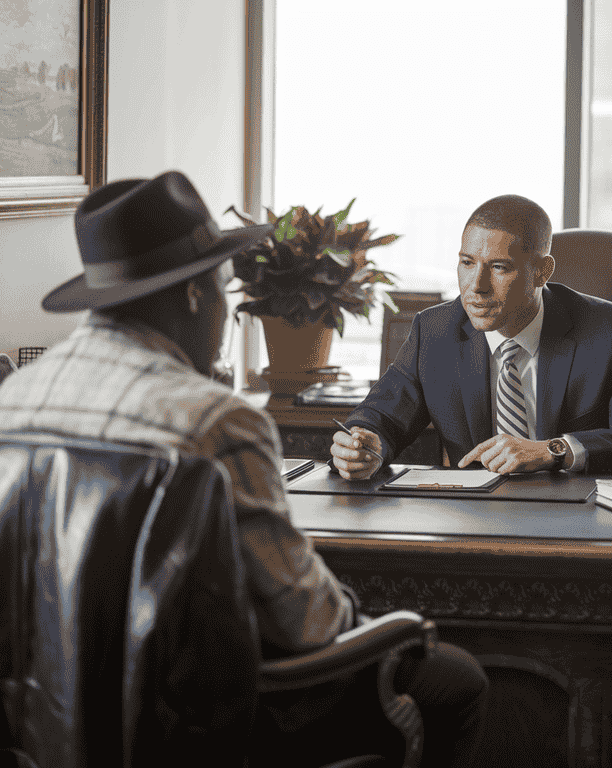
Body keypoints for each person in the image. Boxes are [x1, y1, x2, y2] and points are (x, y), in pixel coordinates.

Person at [0, 170, 488, 767]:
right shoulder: (215, 422)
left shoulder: (13, 401)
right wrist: (371, 618)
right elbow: (307, 621)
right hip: (199, 730)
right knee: (451, 675)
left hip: (47, 724)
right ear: (194, 295)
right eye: (225, 291)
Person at [331, 194, 612, 480]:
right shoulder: (435, 333)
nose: (476, 287)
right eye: (467, 263)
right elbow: (383, 416)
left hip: (577, 525)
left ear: (541, 272)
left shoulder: (611, 330)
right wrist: (364, 444)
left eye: (499, 267)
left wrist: (552, 449)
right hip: (474, 526)